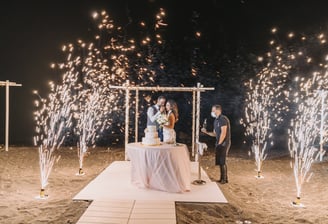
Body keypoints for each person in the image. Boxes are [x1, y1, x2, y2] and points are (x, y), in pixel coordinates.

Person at [201, 104, 231, 184]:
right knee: (220, 161)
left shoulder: (223, 119)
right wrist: (206, 132)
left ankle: (224, 179)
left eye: (213, 110)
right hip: (219, 142)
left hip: (224, 143)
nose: (212, 112)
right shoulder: (216, 120)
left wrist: (220, 143)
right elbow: (215, 134)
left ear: (218, 110)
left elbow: (223, 133)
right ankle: (222, 178)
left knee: (222, 160)